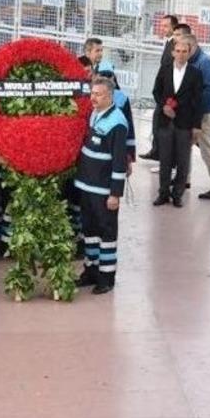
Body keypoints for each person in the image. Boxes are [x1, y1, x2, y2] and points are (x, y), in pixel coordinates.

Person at [74, 77, 128, 295]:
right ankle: (91, 270)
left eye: (98, 95)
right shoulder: (95, 114)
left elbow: (118, 162)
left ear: (110, 96)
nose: (93, 98)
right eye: (92, 94)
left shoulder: (117, 123)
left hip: (103, 191)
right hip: (87, 186)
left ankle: (106, 277)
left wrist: (115, 194)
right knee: (89, 232)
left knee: (106, 234)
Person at [152, 39, 203, 208]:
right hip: (165, 122)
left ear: (189, 53)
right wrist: (163, 106)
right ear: (173, 52)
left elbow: (198, 101)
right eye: (178, 51)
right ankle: (163, 193)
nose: (181, 55)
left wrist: (197, 126)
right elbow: (156, 91)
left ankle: (177, 194)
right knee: (164, 160)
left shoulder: (195, 73)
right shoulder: (165, 69)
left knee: (183, 161)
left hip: (185, 123)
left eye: (184, 51)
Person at [182, 34, 210, 201]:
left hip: (206, 113)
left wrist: (198, 119)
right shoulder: (195, 61)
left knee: (208, 149)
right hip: (199, 112)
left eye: (185, 49)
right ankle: (184, 179)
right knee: (186, 146)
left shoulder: (204, 62)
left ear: (192, 47)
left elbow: (209, 90)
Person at [141, 23, 192, 161]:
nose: (174, 37)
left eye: (177, 35)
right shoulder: (171, 47)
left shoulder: (190, 57)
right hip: (165, 98)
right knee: (160, 126)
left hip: (177, 102)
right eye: (174, 35)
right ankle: (158, 154)